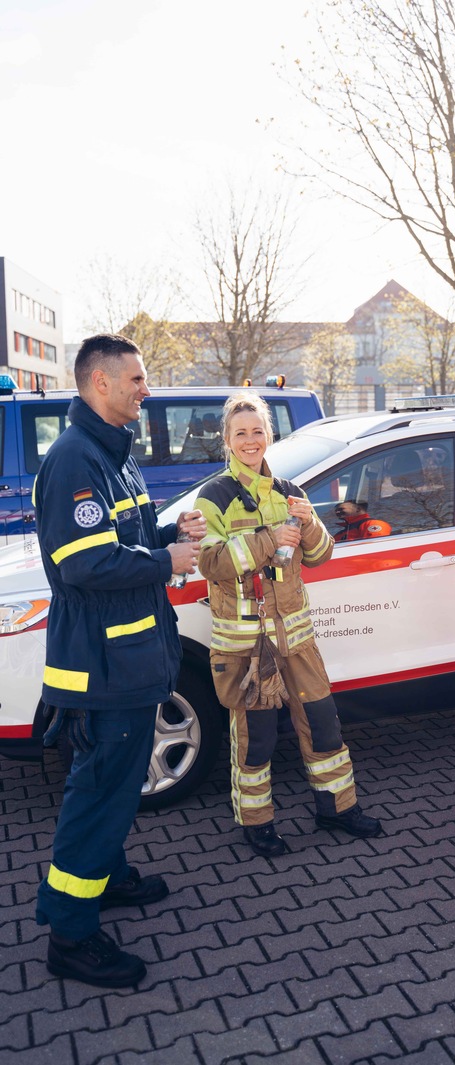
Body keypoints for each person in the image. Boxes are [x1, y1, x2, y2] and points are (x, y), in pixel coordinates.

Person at [34, 334, 205, 988]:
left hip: (128, 661)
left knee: (109, 791)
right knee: (99, 796)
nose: (146, 389)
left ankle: (101, 879)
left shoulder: (111, 453)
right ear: (100, 383)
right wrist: (167, 561)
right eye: (136, 378)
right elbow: (84, 563)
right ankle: (71, 935)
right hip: (106, 668)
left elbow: (121, 540)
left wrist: (168, 536)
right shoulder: (78, 460)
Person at [195, 393, 382, 857]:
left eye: (258, 431)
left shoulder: (289, 491)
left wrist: (310, 523)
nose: (250, 440)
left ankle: (337, 809)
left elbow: (319, 555)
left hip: (296, 641)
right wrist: (267, 539)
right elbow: (210, 562)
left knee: (323, 726)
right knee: (255, 739)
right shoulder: (212, 497)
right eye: (241, 433)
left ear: (269, 436)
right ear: (226, 440)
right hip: (247, 647)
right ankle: (256, 824)